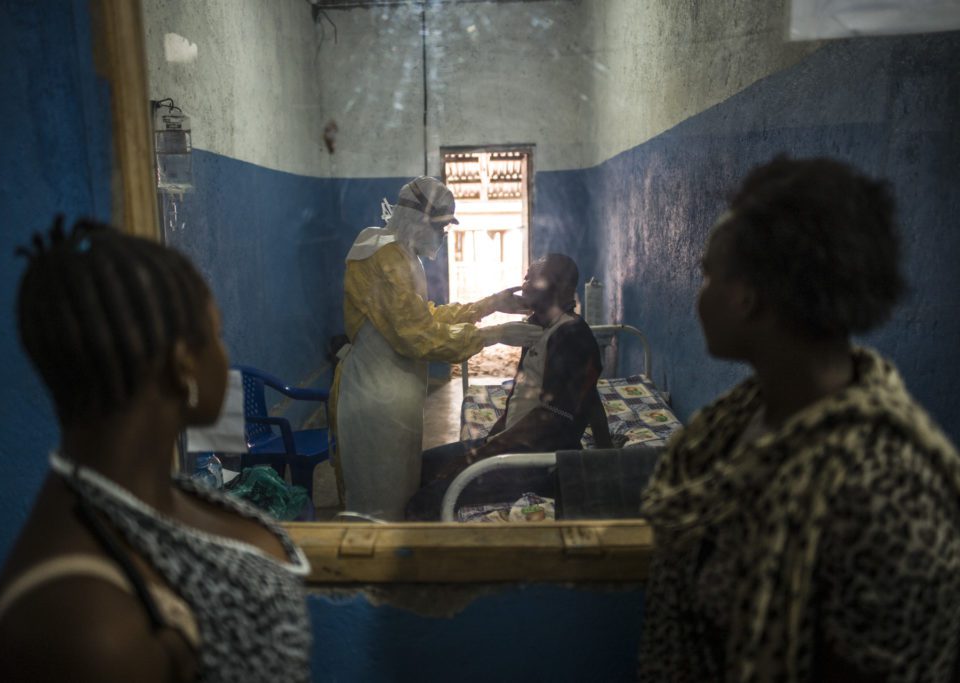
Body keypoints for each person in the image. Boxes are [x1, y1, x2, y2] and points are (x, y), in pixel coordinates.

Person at [638, 157, 960, 682]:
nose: (701, 294)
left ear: (746, 297)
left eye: (707, 275)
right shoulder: (734, 426)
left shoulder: (884, 488)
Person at [0, 218, 311, 682]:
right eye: (215, 334)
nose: (223, 351)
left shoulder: (151, 499)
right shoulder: (88, 629)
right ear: (182, 366)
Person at [332, 176, 542, 520]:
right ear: (418, 221)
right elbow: (418, 337)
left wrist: (490, 304)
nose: (445, 235)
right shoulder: (385, 257)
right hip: (377, 398)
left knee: (396, 494)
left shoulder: (399, 251)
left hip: (393, 392)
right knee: (379, 507)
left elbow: (424, 318)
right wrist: (493, 335)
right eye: (442, 227)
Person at [406, 253, 613, 521]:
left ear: (559, 289)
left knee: (422, 505)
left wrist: (481, 454)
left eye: (531, 279)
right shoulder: (539, 328)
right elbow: (578, 395)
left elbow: (552, 418)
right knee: (420, 467)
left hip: (535, 463)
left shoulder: (572, 336)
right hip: (511, 445)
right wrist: (489, 441)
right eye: (525, 277)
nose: (523, 285)